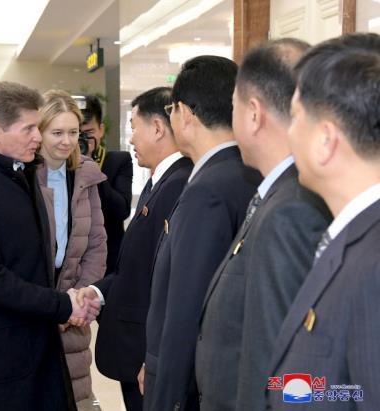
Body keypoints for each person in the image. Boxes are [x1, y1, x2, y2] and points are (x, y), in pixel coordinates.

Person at [0, 81, 101, 411]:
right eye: (29, 129)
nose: (38, 137)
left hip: (36, 344)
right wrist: (61, 305)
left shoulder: (19, 173)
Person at [194, 39, 332, 411]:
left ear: (253, 114)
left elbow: (286, 373)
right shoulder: (274, 195)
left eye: (233, 105)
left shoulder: (292, 212)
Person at [141, 56, 262, 411]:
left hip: (193, 388)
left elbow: (186, 307)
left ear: (185, 113)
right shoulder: (246, 172)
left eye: (170, 109)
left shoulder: (206, 190)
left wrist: (166, 395)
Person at [267, 33, 380, 410]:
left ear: (326, 140)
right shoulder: (353, 237)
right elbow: (355, 389)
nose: (288, 133)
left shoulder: (374, 264)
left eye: (295, 116)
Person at [76, 86, 193, 411]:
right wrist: (98, 292)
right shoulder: (162, 181)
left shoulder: (178, 185)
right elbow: (138, 266)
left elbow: (170, 282)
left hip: (148, 352)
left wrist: (157, 359)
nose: (130, 139)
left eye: (134, 126)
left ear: (157, 128)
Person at [36, 90, 107, 409]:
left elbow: (96, 243)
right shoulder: (23, 174)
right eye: (57, 132)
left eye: (73, 132)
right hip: (34, 303)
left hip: (73, 304)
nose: (66, 141)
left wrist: (78, 297)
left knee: (74, 395)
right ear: (39, 131)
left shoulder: (85, 175)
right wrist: (50, 306)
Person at [80, 95, 132, 275]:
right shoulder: (62, 165)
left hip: (110, 258)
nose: (83, 141)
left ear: (101, 130)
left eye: (89, 133)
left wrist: (92, 169)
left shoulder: (118, 161)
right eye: (77, 134)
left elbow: (122, 210)